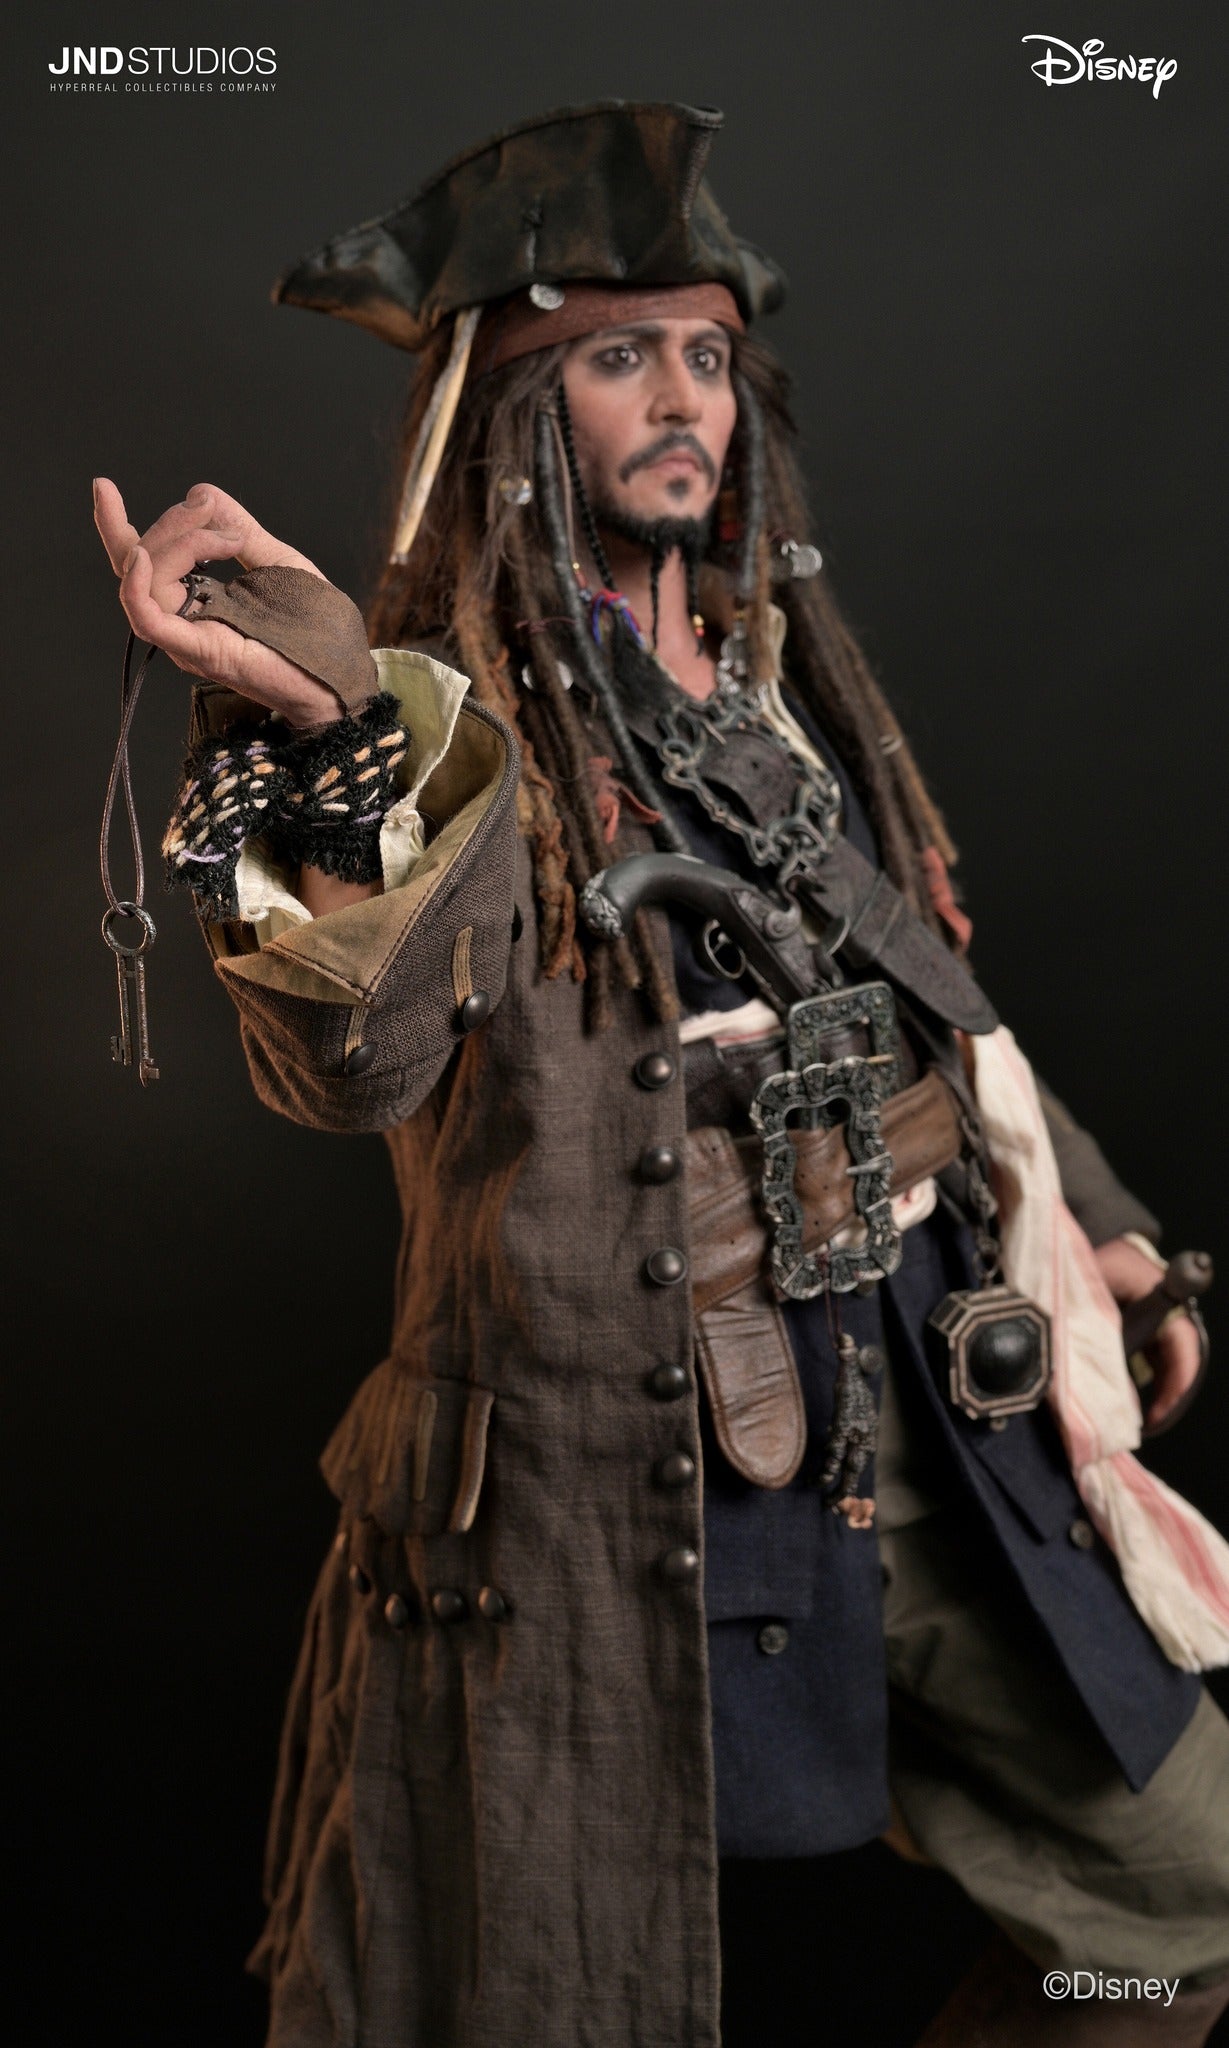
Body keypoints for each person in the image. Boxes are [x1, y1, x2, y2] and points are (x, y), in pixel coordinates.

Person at [93, 101, 1229, 2048]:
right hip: (601, 1472)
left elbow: (942, 1010)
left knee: (1181, 1898)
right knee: (533, 1995)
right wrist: (338, 729)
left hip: (910, 1410)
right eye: (620, 355)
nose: (683, 393)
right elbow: (355, 1063)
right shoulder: (449, 727)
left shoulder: (778, 697)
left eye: (705, 353)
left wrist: (1098, 1236)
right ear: (513, 412)